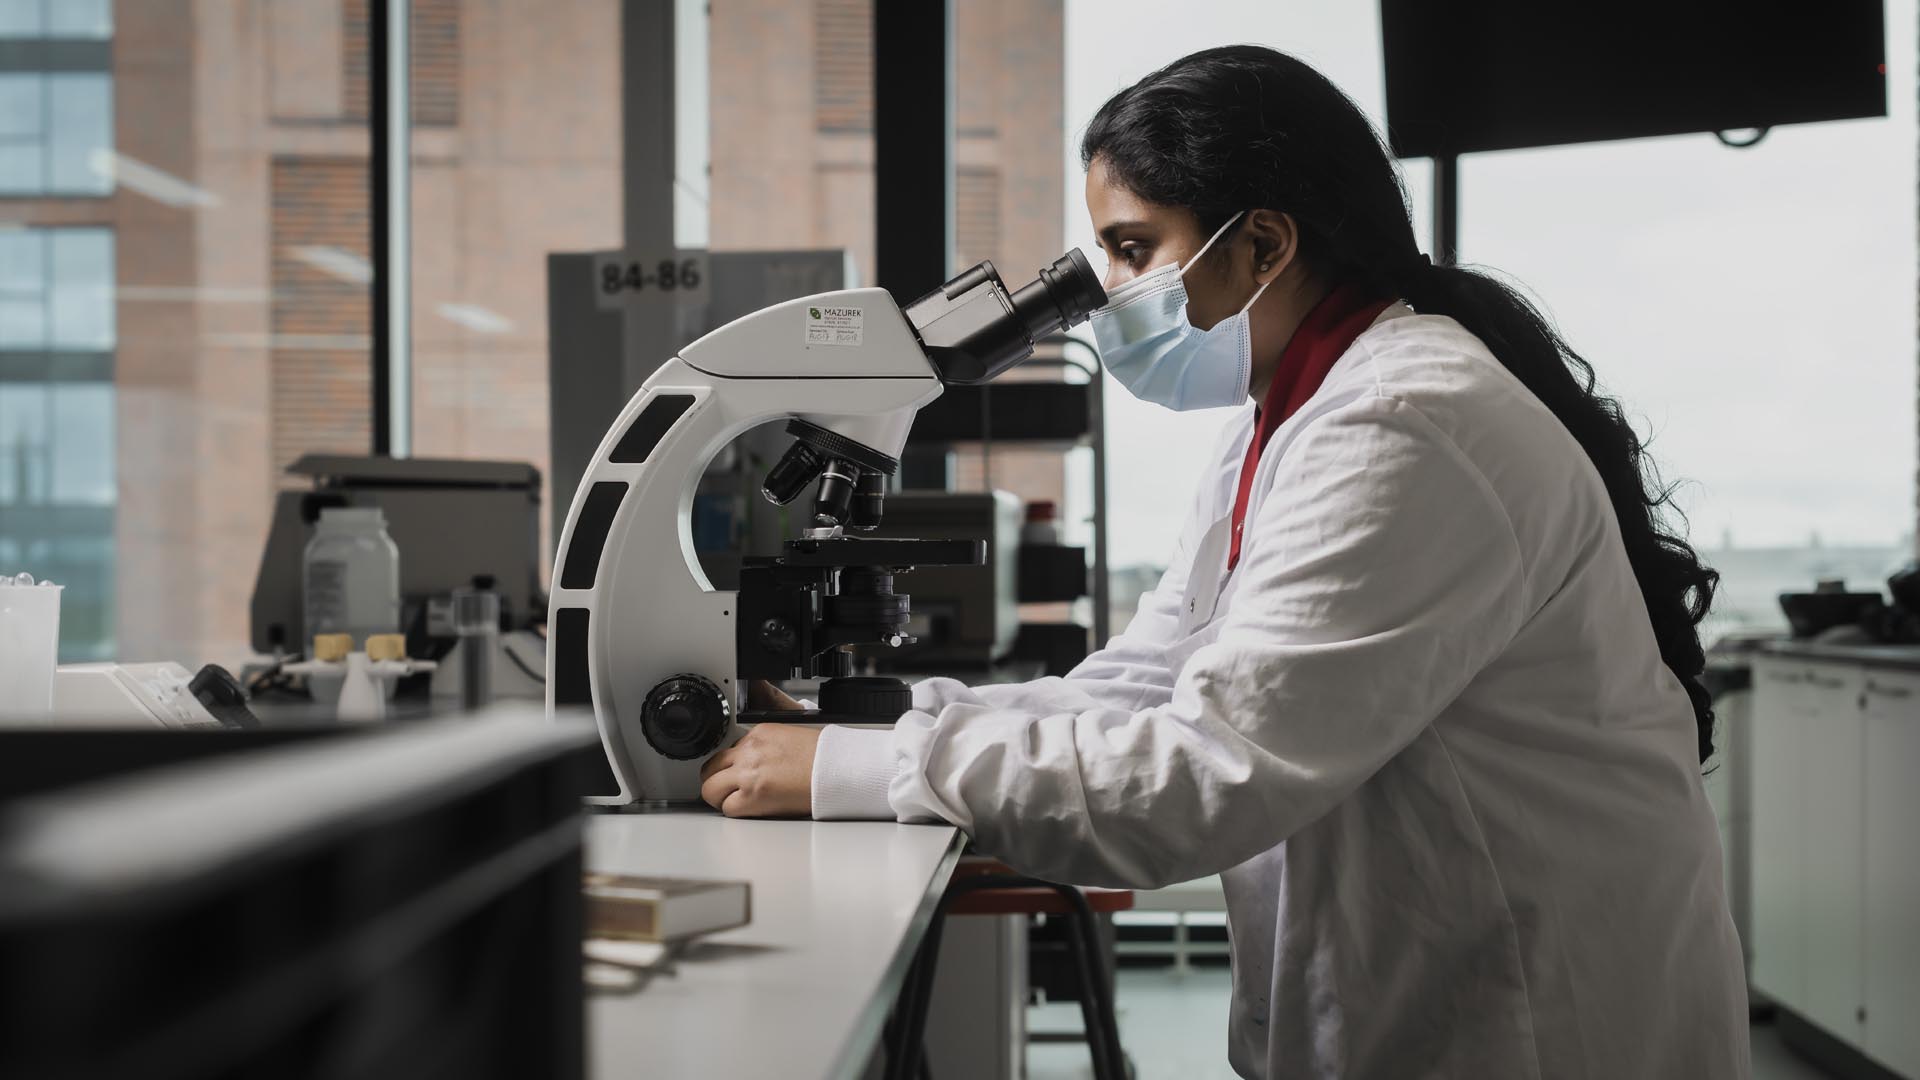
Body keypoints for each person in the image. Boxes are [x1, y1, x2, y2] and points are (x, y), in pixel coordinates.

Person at [698, 45, 1750, 1080]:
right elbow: (1136, 685)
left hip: (1536, 1024)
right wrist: (883, 727)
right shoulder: (1283, 420)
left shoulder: (1401, 424)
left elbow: (1204, 775)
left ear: (1263, 246)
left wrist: (864, 771)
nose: (1104, 293)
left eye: (1131, 248)